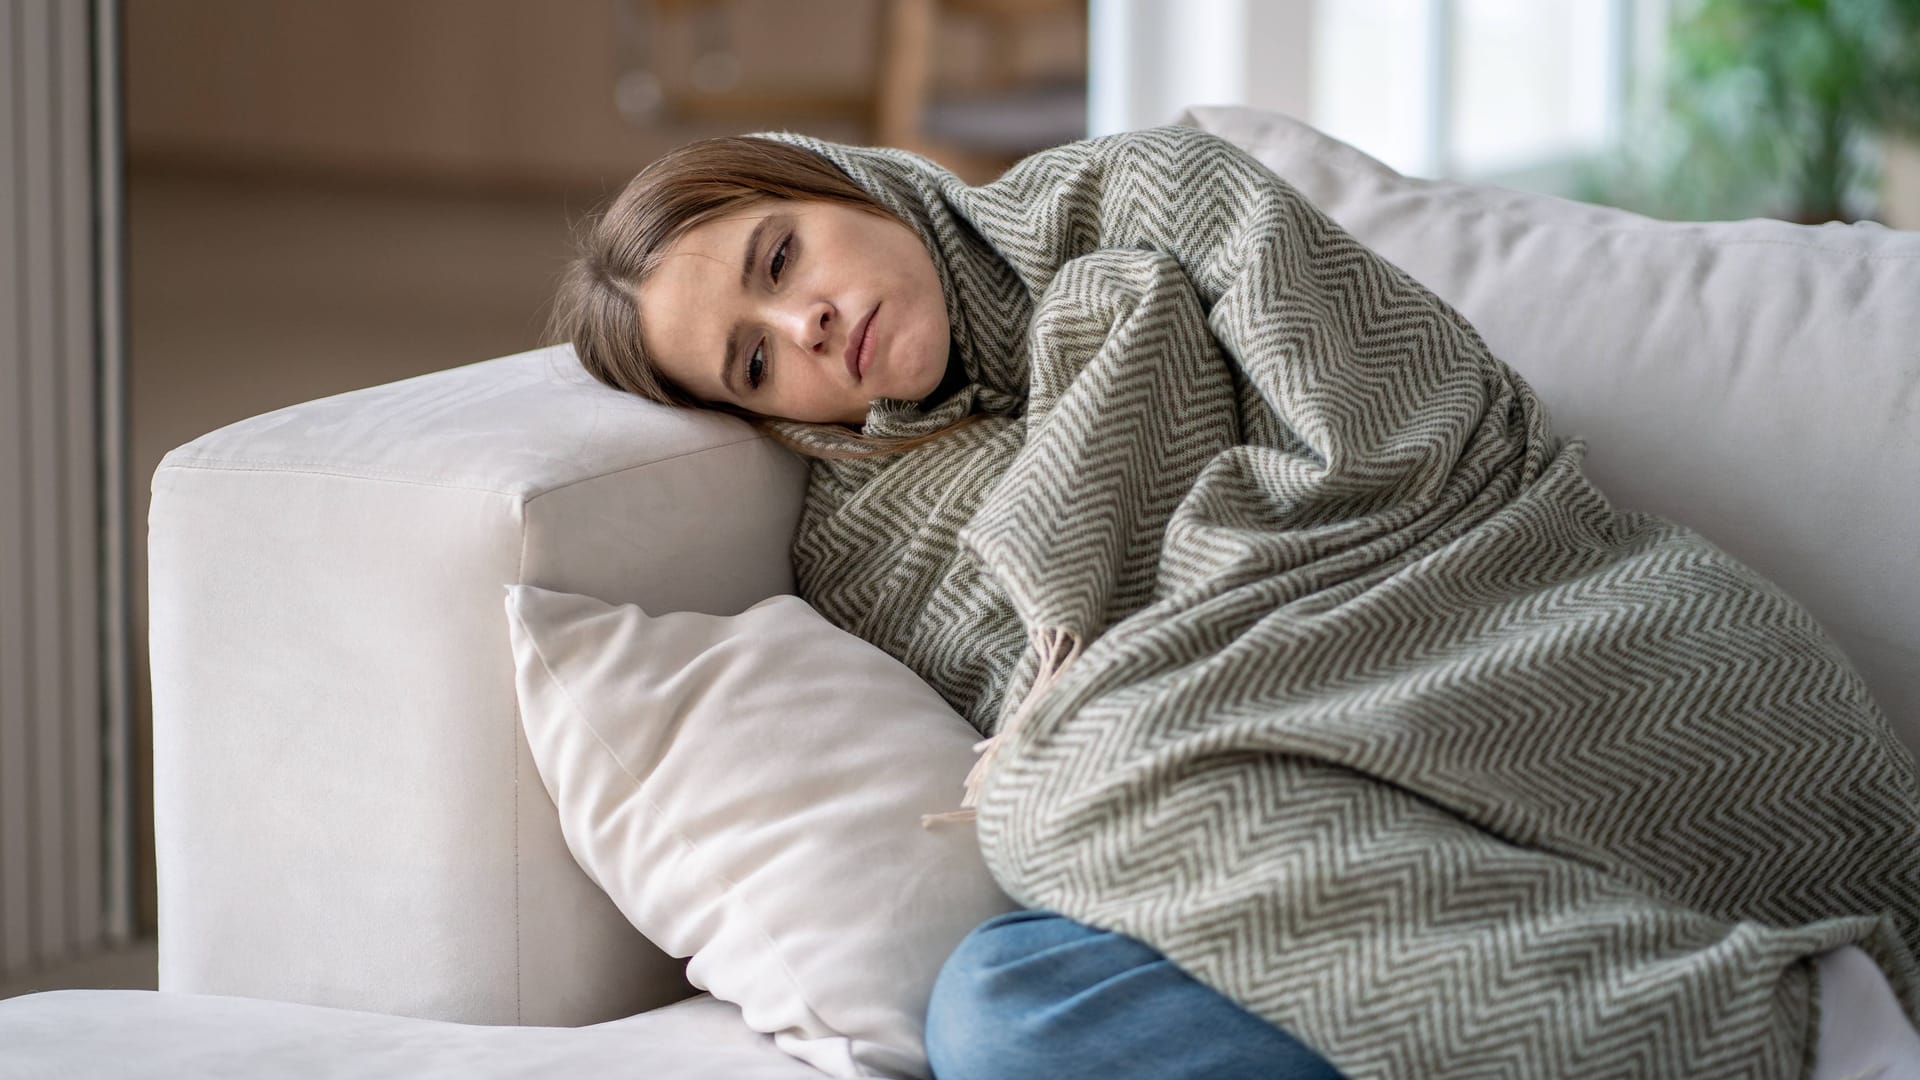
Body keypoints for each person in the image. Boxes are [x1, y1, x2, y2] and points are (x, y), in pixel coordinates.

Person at [551, 129, 1920, 1079]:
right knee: (1001, 1016)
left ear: (838, 186)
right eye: (751, 362)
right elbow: (1102, 727)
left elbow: (1407, 425)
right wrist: (1098, 691)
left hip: (1529, 628)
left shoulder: (1149, 196)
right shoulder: (863, 551)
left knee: (1047, 799)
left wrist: (1107, 586)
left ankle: (1782, 1037)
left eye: (780, 260)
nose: (804, 330)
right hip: (1300, 811)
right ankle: (1742, 1025)